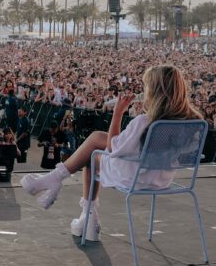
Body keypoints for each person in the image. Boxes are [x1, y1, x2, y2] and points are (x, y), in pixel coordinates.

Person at [20, 64, 202, 242]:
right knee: (96, 140)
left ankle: (72, 199)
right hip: (161, 179)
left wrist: (118, 113)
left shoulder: (144, 122)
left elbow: (113, 147)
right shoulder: (194, 123)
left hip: (134, 178)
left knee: (92, 155)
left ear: (154, 92)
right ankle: (84, 217)